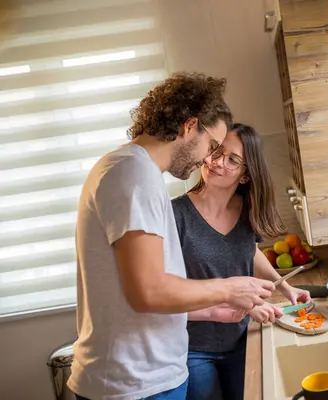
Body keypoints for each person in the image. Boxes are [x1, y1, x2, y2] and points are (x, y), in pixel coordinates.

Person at [68, 73, 276, 400]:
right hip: (134, 384)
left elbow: (141, 289)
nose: (208, 159)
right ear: (189, 126)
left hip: (146, 379)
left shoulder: (134, 171)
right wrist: (228, 287)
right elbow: (148, 290)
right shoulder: (134, 174)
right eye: (211, 146)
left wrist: (212, 310)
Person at [171, 123, 312, 400]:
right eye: (216, 151)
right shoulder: (175, 215)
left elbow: (249, 251)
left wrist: (286, 289)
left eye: (232, 160)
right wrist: (246, 307)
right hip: (194, 348)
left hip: (243, 338)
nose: (216, 162)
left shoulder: (247, 210)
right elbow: (168, 290)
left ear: (246, 175)